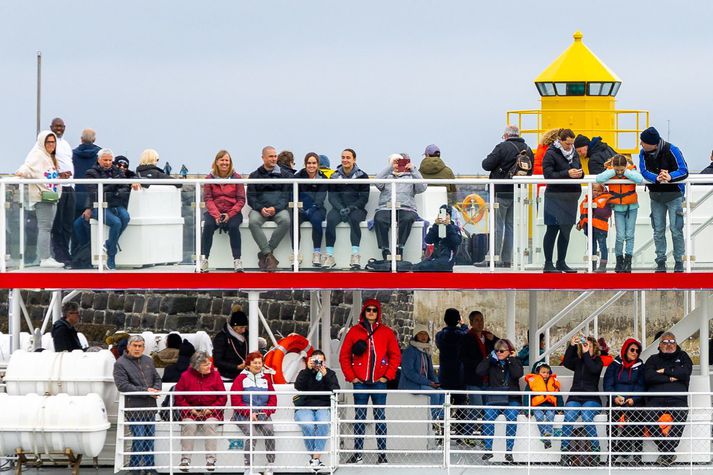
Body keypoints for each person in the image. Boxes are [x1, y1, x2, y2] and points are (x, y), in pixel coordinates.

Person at [339, 299, 401, 464]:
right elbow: (344, 356)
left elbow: (395, 355)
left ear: (378, 312)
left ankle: (382, 455)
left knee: (380, 417)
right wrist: (352, 377)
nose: (371, 313)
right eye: (368, 310)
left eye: (374, 310)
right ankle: (358, 454)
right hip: (360, 382)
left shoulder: (386, 332)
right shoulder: (353, 332)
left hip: (379, 381)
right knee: (360, 417)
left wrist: (387, 376)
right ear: (364, 312)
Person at [482, 125, 535, 268]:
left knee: (497, 225)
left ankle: (493, 257)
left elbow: (486, 165)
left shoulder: (502, 147)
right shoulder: (528, 149)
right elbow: (531, 171)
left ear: (506, 135)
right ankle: (506, 259)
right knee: (511, 226)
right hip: (518, 193)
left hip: (500, 191)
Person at [639, 126, 689, 273]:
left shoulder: (672, 150)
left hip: (674, 196)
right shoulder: (643, 153)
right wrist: (656, 178)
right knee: (658, 230)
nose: (641, 144)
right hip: (656, 197)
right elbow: (644, 171)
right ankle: (660, 261)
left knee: (676, 230)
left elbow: (683, 170)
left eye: (643, 142)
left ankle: (679, 261)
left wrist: (670, 177)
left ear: (652, 143)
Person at [73, 148, 132, 270]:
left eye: (110, 160)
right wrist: (113, 185)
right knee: (116, 222)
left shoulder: (118, 171)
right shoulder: (91, 172)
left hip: (115, 204)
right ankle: (111, 256)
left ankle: (109, 244)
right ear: (99, 160)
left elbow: (125, 187)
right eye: (105, 160)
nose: (108, 162)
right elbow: (94, 193)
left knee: (125, 217)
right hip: (98, 206)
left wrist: (109, 188)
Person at [113, 335, 162, 474]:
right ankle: (134, 467)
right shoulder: (120, 363)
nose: (137, 348)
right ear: (128, 347)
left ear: (144, 348)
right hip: (134, 407)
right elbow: (122, 386)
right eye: (134, 345)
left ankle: (149, 467)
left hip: (150, 407)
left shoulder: (148, 360)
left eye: (140, 346)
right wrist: (147, 391)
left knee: (149, 439)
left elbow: (157, 378)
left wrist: (156, 389)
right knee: (140, 438)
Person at [15, 130, 64, 268]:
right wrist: (20, 174)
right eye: (48, 142)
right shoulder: (38, 155)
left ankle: (46, 256)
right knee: (45, 228)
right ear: (42, 142)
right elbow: (26, 168)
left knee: (47, 228)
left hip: (52, 196)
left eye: (53, 142)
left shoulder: (50, 156)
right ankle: (45, 258)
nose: (51, 144)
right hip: (43, 198)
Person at [643, 331, 692, 466]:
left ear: (676, 344)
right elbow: (649, 377)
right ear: (659, 345)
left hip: (678, 399)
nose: (669, 345)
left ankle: (665, 450)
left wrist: (664, 371)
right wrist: (672, 376)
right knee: (647, 414)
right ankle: (668, 450)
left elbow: (685, 372)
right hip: (655, 399)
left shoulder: (683, 356)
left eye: (672, 342)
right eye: (665, 342)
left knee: (682, 412)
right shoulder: (652, 359)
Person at [174, 351, 227, 472]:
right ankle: (185, 460)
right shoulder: (185, 376)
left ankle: (211, 460)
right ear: (197, 367)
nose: (210, 366)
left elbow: (223, 397)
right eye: (206, 365)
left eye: (209, 363)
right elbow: (179, 397)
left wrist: (211, 409)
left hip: (212, 412)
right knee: (188, 424)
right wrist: (190, 409)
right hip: (190, 411)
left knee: (210, 424)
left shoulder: (216, 375)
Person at [542, 128, 583, 273]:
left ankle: (561, 262)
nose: (570, 147)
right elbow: (548, 175)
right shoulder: (550, 153)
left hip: (570, 197)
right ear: (560, 140)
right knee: (552, 229)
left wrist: (580, 173)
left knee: (566, 230)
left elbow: (580, 170)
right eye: (567, 144)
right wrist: (567, 173)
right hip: (554, 196)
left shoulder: (574, 153)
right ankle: (548, 263)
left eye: (572, 144)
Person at [230, 351, 277, 475]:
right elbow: (235, 401)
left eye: (259, 363)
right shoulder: (240, 379)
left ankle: (270, 464)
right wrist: (249, 412)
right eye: (254, 363)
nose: (257, 365)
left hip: (262, 413)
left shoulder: (266, 379)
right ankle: (248, 468)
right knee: (252, 434)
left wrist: (265, 412)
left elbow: (273, 399)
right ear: (248, 365)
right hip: (243, 414)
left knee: (270, 431)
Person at [247, 146, 294, 272]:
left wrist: (276, 208)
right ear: (263, 158)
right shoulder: (254, 175)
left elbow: (286, 197)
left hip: (278, 210)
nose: (274, 159)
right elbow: (251, 198)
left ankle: (265, 253)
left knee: (286, 221)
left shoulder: (285, 176)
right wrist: (261, 208)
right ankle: (269, 255)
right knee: (253, 222)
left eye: (275, 156)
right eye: (271, 156)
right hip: (260, 210)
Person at [373, 153, 427, 261]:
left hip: (406, 208)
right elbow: (377, 182)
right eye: (394, 162)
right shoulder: (386, 177)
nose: (397, 165)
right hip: (386, 207)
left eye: (399, 162)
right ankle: (385, 249)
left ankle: (399, 248)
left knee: (407, 219)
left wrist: (413, 170)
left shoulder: (411, 177)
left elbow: (422, 187)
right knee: (379, 219)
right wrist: (390, 167)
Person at [477, 338, 523, 462]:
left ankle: (509, 451)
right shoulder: (492, 362)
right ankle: (488, 449)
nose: (499, 353)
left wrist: (511, 359)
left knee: (512, 416)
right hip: (495, 399)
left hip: (512, 399)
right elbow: (479, 371)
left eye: (502, 351)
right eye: (496, 350)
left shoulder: (515, 361)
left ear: (509, 351)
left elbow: (517, 374)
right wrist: (488, 358)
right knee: (488, 414)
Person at [596, 154, 644, 273]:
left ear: (625, 166)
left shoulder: (630, 171)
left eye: (621, 170)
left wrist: (626, 172)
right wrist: (612, 171)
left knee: (630, 235)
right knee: (620, 236)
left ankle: (628, 261)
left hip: (631, 207)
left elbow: (639, 179)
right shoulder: (610, 171)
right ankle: (619, 260)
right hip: (618, 208)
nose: (619, 172)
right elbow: (599, 179)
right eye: (617, 170)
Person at [293, 349, 340, 471]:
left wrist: (325, 376)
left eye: (321, 361)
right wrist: (308, 370)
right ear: (310, 361)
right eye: (316, 360)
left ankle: (314, 460)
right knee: (307, 425)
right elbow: (298, 386)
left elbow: (336, 390)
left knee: (323, 423)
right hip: (305, 406)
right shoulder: (304, 372)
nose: (318, 363)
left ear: (324, 361)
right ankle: (316, 460)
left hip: (323, 406)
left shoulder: (330, 373)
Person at [200, 150, 246, 273]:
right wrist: (216, 215)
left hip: (233, 212)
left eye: (227, 160)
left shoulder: (237, 178)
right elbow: (208, 199)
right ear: (217, 162)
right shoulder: (209, 179)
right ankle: (204, 259)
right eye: (222, 160)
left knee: (233, 226)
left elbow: (241, 200)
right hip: (215, 212)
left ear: (230, 162)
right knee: (208, 225)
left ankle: (237, 260)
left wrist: (229, 214)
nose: (224, 163)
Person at [560, 336, 603, 463]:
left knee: (586, 415)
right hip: (575, 397)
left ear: (594, 347)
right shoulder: (578, 361)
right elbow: (567, 363)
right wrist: (572, 346)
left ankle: (595, 449)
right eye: (584, 345)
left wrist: (586, 354)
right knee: (569, 416)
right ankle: (564, 451)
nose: (586, 347)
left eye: (589, 345)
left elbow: (593, 369)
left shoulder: (597, 361)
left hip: (592, 398)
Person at [324, 148, 369, 270]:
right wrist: (341, 209)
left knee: (354, 219)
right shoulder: (334, 176)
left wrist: (351, 208)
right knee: (330, 219)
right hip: (339, 208)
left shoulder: (363, 176)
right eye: (343, 157)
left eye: (348, 157)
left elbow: (364, 198)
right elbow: (332, 197)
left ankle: (355, 255)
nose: (345, 160)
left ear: (354, 159)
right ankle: (329, 256)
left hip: (356, 209)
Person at [458, 310, 498, 442]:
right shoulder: (466, 338)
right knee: (476, 408)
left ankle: (486, 438)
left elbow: (502, 346)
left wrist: (494, 339)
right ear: (471, 323)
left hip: (488, 379)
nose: (480, 323)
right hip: (474, 378)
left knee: (488, 410)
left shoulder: (488, 336)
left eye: (481, 319)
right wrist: (482, 362)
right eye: (477, 320)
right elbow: (463, 358)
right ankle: (468, 435)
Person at [603, 338, 645, 465]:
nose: (635, 353)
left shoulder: (640, 366)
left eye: (637, 351)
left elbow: (641, 385)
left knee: (638, 418)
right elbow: (608, 384)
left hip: (633, 401)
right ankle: (612, 453)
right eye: (632, 350)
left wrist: (633, 399)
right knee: (612, 420)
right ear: (625, 350)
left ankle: (635, 455)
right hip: (616, 400)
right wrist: (615, 397)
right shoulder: (615, 364)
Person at [398, 330, 445, 438]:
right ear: (415, 336)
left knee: (442, 393)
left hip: (423, 383)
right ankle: (432, 423)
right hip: (410, 384)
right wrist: (429, 383)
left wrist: (436, 383)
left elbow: (431, 372)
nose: (423, 336)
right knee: (434, 394)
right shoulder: (410, 351)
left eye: (425, 334)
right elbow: (409, 372)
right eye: (420, 334)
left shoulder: (425, 350)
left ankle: (439, 420)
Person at [294, 153, 329, 267]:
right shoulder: (298, 176)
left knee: (316, 220)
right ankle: (296, 254)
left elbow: (320, 197)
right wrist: (300, 208)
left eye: (314, 163)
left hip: (317, 208)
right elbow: (294, 194)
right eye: (309, 163)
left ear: (318, 164)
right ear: (305, 164)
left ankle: (317, 253)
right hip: (301, 209)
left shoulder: (323, 178)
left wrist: (312, 208)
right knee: (294, 221)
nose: (311, 166)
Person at [48, 118, 75, 265]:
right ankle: (58, 253)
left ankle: (66, 251)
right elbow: (48, 162)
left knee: (67, 222)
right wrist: (59, 174)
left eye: (62, 126)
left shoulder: (65, 144)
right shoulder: (49, 143)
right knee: (57, 223)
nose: (59, 128)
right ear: (51, 127)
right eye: (56, 126)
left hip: (70, 186)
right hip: (57, 187)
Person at [435, 308, 468, 423]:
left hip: (444, 375)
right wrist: (463, 325)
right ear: (458, 319)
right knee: (461, 406)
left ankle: (443, 433)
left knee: (444, 406)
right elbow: (467, 335)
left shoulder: (439, 336)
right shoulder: (462, 335)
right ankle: (460, 433)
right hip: (459, 375)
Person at [412, 204, 462, 272]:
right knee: (414, 267)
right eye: (441, 214)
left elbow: (457, 241)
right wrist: (435, 225)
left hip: (447, 260)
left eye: (446, 214)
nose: (444, 217)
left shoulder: (455, 228)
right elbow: (428, 240)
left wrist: (448, 226)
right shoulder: (437, 227)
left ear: (450, 216)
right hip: (435, 257)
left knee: (423, 267)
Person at [524, 362, 562, 449]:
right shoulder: (532, 381)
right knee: (539, 416)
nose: (546, 375)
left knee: (550, 415)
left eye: (548, 373)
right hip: (537, 406)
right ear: (537, 372)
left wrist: (560, 409)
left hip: (549, 405)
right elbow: (526, 397)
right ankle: (546, 438)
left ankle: (546, 434)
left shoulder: (553, 382)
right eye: (543, 372)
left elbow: (558, 396)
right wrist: (527, 410)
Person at [576, 183, 612, 272]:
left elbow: (607, 213)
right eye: (595, 190)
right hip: (590, 227)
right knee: (592, 246)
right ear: (591, 190)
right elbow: (583, 214)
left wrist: (594, 206)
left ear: (603, 191)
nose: (596, 192)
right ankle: (592, 265)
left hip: (601, 227)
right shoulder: (586, 200)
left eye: (599, 191)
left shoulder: (605, 199)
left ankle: (603, 266)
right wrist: (580, 223)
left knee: (602, 246)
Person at [72, 128, 101, 219]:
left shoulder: (72, 154)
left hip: (75, 195)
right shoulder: (100, 155)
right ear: (94, 139)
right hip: (94, 196)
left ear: (81, 139)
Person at [212, 310, 249, 380]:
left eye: (245, 327)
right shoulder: (222, 338)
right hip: (227, 377)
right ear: (234, 326)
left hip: (244, 376)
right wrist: (236, 367)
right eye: (241, 327)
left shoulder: (246, 336)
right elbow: (217, 361)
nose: (244, 330)